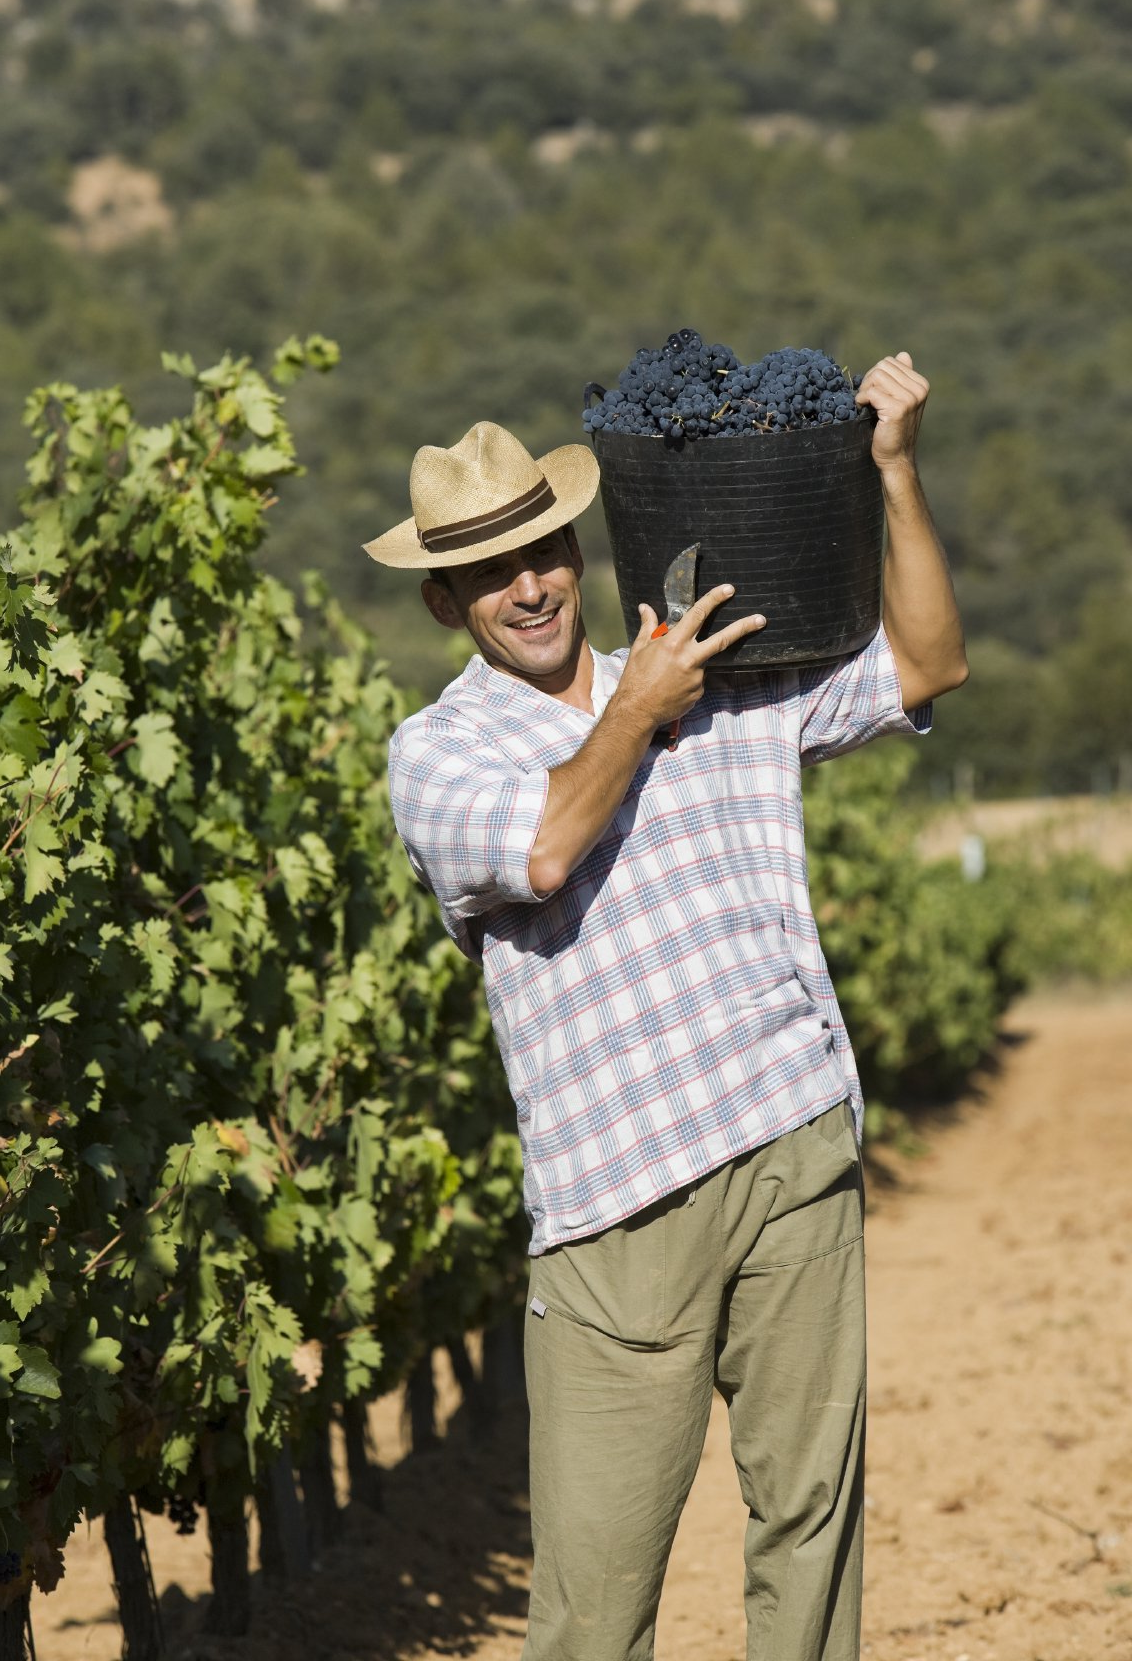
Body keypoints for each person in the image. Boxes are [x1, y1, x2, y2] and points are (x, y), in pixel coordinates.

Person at [364, 352, 967, 1661]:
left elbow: (926, 666)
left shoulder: (713, 665)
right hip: (616, 1205)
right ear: (441, 600)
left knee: (811, 1531)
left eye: (542, 550)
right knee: (593, 1602)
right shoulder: (439, 755)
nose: (526, 585)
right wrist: (636, 709)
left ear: (578, 546)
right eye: (484, 570)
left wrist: (896, 473)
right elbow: (539, 852)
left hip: (794, 1143)